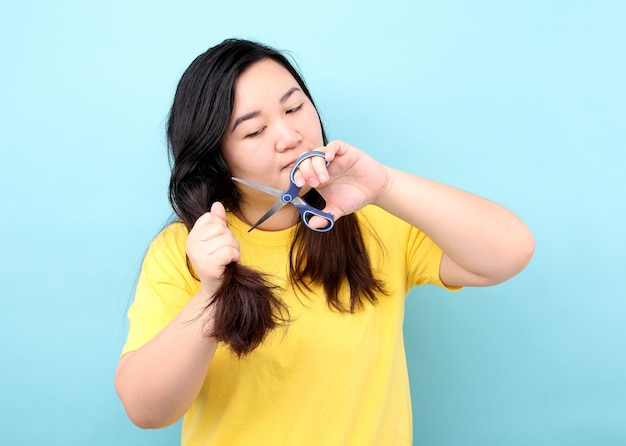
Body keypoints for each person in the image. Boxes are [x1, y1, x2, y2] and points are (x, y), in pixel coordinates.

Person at [115, 38, 535, 445]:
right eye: (255, 130)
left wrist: (385, 185)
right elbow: (147, 411)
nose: (289, 136)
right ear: (217, 158)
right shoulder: (186, 249)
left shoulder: (371, 219)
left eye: (295, 107)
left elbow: (511, 251)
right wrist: (211, 297)